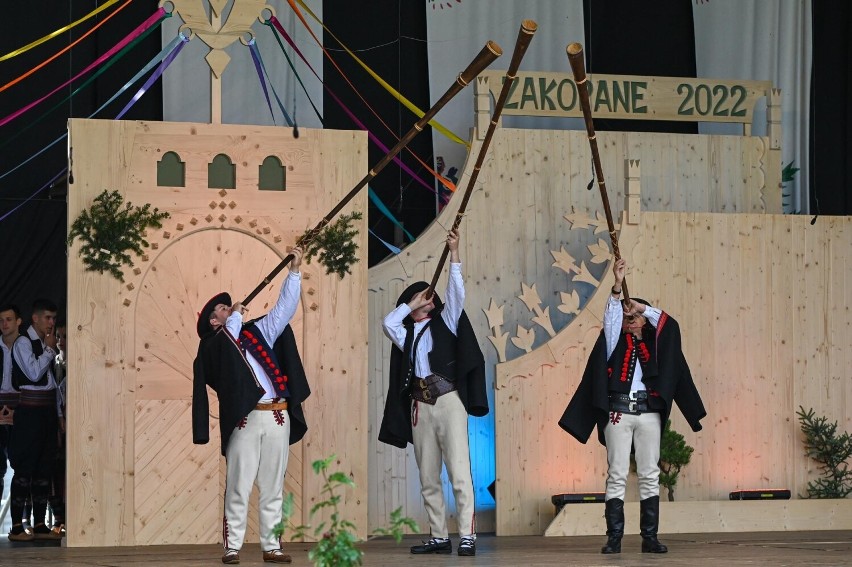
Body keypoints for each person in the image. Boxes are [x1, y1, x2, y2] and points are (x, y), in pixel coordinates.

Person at [559, 258, 706, 554]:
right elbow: (611, 319)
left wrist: (643, 308)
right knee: (616, 473)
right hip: (618, 413)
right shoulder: (614, 341)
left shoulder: (658, 346)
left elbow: (671, 328)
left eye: (636, 314)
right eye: (628, 315)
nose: (630, 318)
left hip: (648, 412)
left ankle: (649, 537)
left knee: (650, 474)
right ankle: (614, 537)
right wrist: (617, 286)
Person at [192, 247, 310, 565]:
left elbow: (283, 311)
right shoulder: (213, 346)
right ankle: (232, 546)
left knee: (273, 484)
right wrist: (236, 319)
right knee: (239, 484)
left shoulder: (254, 331)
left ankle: (272, 545)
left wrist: (294, 272)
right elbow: (226, 356)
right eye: (222, 309)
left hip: (276, 414)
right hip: (245, 418)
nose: (228, 309)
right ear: (213, 321)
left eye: (227, 306)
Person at [379, 229, 488, 557]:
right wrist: (410, 304)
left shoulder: (448, 321)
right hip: (420, 406)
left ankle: (466, 535)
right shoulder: (407, 335)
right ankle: (439, 536)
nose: (420, 303)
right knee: (427, 475)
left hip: (448, 401)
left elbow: (456, 293)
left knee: (458, 471)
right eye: (414, 300)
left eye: (424, 298)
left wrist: (454, 253)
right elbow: (389, 324)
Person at [8, 298, 64, 541]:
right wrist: (50, 350)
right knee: (25, 467)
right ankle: (17, 527)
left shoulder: (44, 342)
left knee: (45, 467)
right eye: (48, 318)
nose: (51, 323)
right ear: (36, 318)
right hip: (29, 413)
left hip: (47, 412)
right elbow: (32, 373)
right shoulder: (23, 342)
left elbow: (53, 386)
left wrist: (59, 415)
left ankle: (40, 524)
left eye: (53, 318)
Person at [0, 304, 23, 514]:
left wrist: (20, 411)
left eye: (8, 319)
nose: (4, 324)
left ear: (18, 322)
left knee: (23, 466)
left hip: (21, 407)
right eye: (1, 320)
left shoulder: (26, 348)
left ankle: (21, 522)